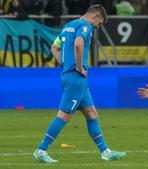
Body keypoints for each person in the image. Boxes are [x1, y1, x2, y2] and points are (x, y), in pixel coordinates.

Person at [33, 4, 126, 163]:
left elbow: (54, 47)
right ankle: (41, 150)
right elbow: (78, 44)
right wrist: (78, 67)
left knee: (91, 113)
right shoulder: (85, 26)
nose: (98, 27)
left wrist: (64, 64)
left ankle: (105, 151)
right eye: (100, 23)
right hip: (76, 78)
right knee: (64, 116)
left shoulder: (68, 26)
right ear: (95, 17)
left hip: (72, 77)